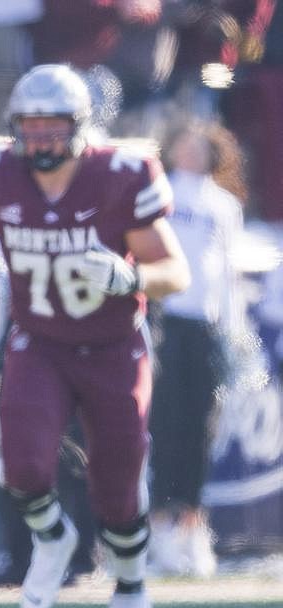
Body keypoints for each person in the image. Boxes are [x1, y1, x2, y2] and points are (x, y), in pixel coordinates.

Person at [0, 63, 191, 608]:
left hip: (114, 344)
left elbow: (175, 272)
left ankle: (132, 588)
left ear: (81, 126)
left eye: (52, 127)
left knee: (117, 481)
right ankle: (53, 537)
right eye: (30, 127)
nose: (40, 139)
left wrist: (127, 274)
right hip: (38, 340)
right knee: (22, 465)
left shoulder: (121, 174)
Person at [147, 119, 247, 578]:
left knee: (200, 425)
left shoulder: (225, 205)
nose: (190, 153)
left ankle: (191, 522)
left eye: (198, 146)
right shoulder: (159, 190)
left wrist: (234, 329)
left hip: (206, 327)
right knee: (164, 422)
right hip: (167, 320)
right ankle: (161, 523)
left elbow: (228, 269)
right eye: (183, 144)